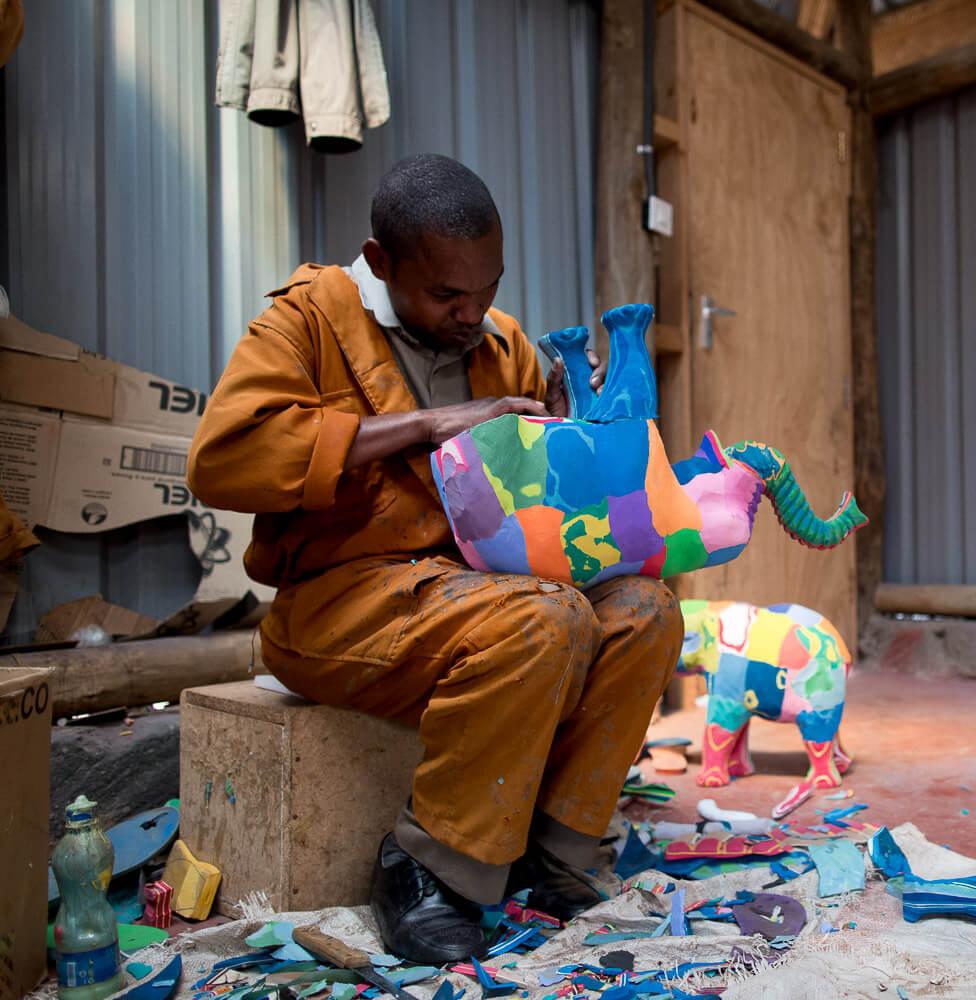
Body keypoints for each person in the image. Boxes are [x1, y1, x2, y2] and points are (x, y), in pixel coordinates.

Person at [187, 154, 683, 963]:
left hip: (475, 596)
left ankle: (551, 852)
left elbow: (548, 504)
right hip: (340, 603)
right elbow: (223, 459)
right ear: (382, 263)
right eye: (447, 295)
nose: (471, 314)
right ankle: (426, 869)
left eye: (486, 290)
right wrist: (424, 425)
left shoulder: (501, 341)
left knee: (646, 612)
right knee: (542, 617)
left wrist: (572, 438)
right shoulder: (308, 320)